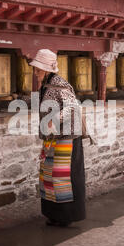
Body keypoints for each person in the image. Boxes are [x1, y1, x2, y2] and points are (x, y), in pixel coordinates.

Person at [29, 49, 86, 227]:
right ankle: (53, 214)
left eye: (38, 70)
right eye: (35, 69)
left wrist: (53, 120)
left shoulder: (60, 83)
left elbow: (72, 108)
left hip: (66, 138)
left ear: (48, 69)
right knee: (49, 176)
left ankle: (66, 216)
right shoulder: (47, 84)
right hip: (53, 137)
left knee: (63, 178)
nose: (35, 73)